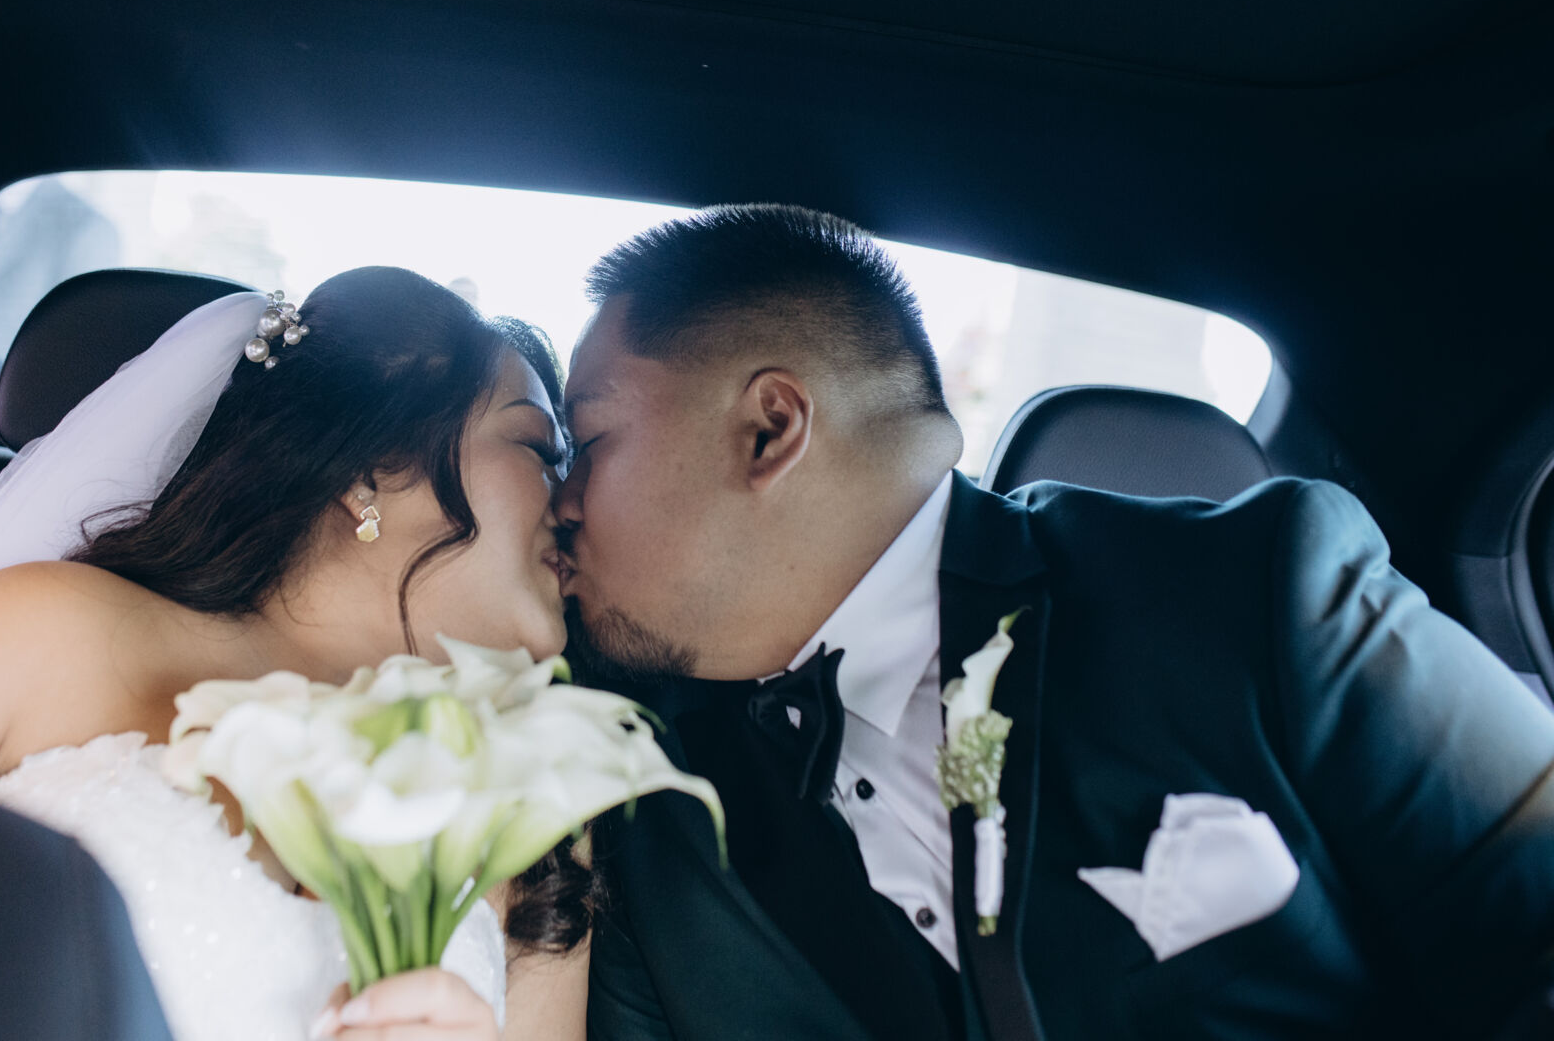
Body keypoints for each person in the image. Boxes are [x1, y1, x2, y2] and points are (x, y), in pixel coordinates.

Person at [560, 205, 1554, 1041]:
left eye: (592, 440)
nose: (561, 503)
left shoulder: (1249, 593)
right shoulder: (643, 820)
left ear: (769, 427)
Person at [0, 266, 593, 1041]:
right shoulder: (42, 629)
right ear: (375, 466)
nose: (573, 502)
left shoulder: (541, 815)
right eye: (540, 449)